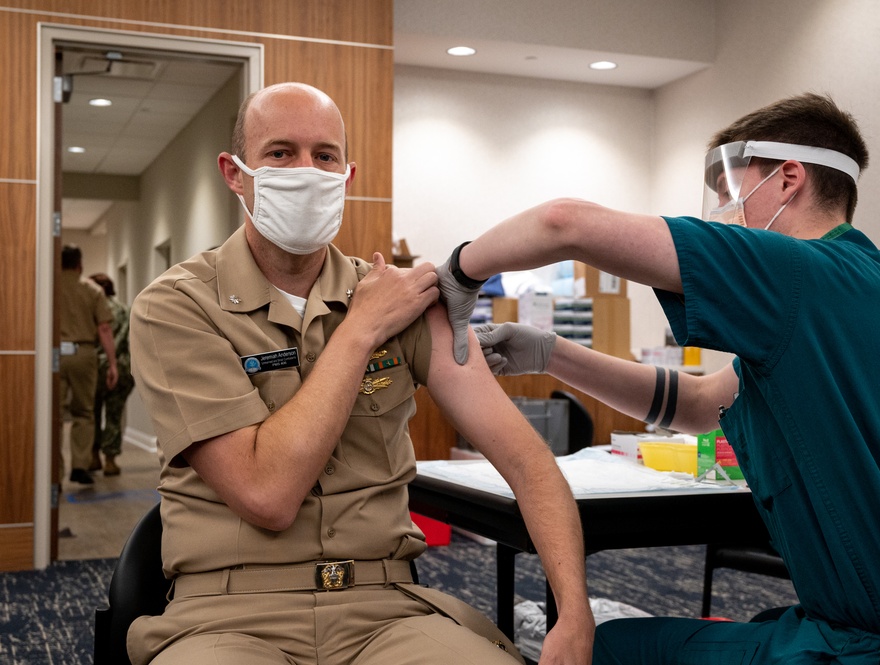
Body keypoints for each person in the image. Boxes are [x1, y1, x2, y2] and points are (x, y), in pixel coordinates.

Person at [435, 93, 880, 664]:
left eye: (733, 193)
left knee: (603, 650)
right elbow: (702, 404)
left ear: (789, 179)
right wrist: (551, 353)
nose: (727, 211)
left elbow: (564, 223)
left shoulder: (794, 272)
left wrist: (459, 271)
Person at [128, 82, 594, 665]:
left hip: (385, 609)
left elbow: (528, 461)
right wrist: (360, 329)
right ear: (235, 172)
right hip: (228, 617)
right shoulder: (176, 307)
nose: (305, 171)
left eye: (324, 156)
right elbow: (266, 494)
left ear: (346, 176)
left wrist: (575, 616)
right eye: (280, 153)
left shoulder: (406, 302)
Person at [59, 245, 118, 485]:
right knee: (84, 411)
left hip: (53, 355)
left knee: (53, 415)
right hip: (83, 354)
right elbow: (104, 328)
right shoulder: (92, 290)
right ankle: (79, 467)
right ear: (79, 264)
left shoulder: (47, 284)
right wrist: (113, 363)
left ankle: (53, 472)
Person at [89, 273, 134, 476]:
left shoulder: (92, 309)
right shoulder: (124, 310)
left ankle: (93, 456)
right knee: (114, 415)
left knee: (92, 414)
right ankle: (110, 459)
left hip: (94, 367)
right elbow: (125, 340)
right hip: (122, 368)